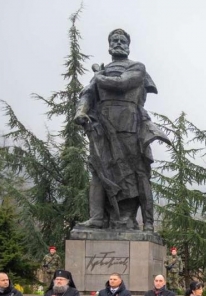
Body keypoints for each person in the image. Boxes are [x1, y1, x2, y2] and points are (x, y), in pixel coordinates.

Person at [73, 28, 170, 231]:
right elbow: (87, 94)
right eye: (114, 40)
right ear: (109, 46)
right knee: (99, 171)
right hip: (101, 126)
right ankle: (97, 218)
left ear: (128, 45)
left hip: (130, 127)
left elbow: (121, 84)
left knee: (137, 174)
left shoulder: (136, 67)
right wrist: (81, 111)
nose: (118, 43)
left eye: (122, 40)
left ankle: (146, 222)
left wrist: (98, 76)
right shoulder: (102, 72)